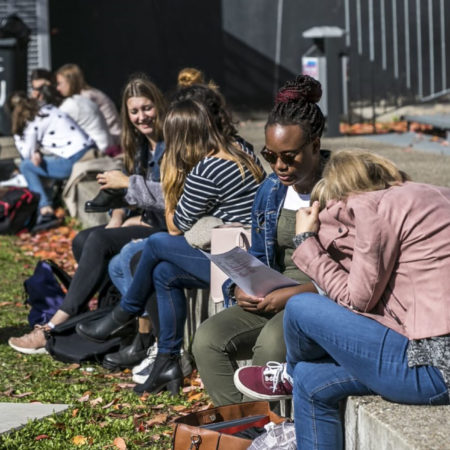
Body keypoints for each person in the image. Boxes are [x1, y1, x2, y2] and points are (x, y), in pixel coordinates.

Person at [234, 150, 450, 449]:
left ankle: (290, 372)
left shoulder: (368, 207)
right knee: (312, 381)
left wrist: (305, 241)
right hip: (434, 363)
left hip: (434, 367)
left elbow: (357, 299)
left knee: (300, 307)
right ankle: (298, 375)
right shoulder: (429, 194)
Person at [77, 92, 265, 396]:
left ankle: (125, 311)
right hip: (245, 253)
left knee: (156, 245)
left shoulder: (207, 169)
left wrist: (172, 171)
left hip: (233, 264)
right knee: (164, 273)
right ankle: (168, 360)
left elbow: (174, 225)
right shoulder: (239, 148)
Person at [8, 75, 167, 360]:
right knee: (83, 239)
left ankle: (53, 326)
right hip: (147, 222)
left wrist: (136, 213)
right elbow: (126, 196)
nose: (142, 117)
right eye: (134, 111)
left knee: (98, 239)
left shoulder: (170, 145)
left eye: (147, 108)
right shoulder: (141, 146)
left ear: (159, 106)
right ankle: (96, 316)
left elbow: (171, 196)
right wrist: (118, 216)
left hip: (166, 227)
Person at [192, 74, 329, 406]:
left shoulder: (339, 189)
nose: (279, 166)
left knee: (270, 344)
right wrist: (241, 286)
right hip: (273, 294)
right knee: (207, 340)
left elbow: (353, 278)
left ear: (314, 144)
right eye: (271, 155)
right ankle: (246, 430)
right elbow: (258, 254)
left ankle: (273, 429)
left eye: (290, 156)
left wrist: (288, 296)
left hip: (319, 299)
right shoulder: (271, 189)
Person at [8, 92, 95, 229]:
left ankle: (45, 211)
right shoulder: (48, 109)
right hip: (87, 152)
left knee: (27, 166)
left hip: (74, 159)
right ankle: (45, 209)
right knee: (38, 165)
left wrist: (18, 135)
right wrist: (37, 152)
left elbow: (26, 153)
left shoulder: (31, 123)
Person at [56, 64, 121, 148]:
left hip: (113, 140)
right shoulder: (86, 94)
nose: (58, 88)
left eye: (60, 83)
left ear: (70, 81)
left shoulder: (86, 98)